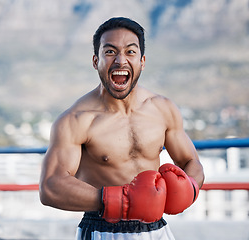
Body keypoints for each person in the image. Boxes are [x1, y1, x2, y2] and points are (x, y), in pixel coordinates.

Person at [39, 17, 205, 240]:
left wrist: (189, 188)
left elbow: (191, 162)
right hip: (103, 229)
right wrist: (121, 200)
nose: (120, 60)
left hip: (157, 229)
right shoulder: (77, 119)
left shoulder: (163, 109)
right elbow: (50, 187)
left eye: (130, 52)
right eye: (110, 52)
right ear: (96, 60)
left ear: (142, 61)